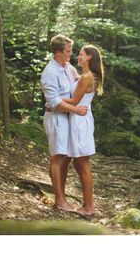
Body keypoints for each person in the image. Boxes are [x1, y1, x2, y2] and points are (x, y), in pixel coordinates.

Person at [40, 35, 88, 212]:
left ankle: (62, 195)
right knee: (57, 158)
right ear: (58, 51)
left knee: (66, 157)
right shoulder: (50, 72)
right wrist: (75, 110)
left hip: (68, 118)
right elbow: (53, 101)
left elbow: (79, 83)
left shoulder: (68, 67)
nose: (70, 54)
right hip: (55, 118)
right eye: (68, 51)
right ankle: (59, 200)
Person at [60, 44, 104, 216]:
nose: (77, 56)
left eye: (80, 54)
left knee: (81, 163)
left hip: (80, 120)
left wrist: (52, 99)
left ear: (89, 57)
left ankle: (89, 207)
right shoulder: (85, 76)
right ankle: (85, 204)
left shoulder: (87, 77)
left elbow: (73, 101)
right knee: (76, 162)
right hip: (78, 119)